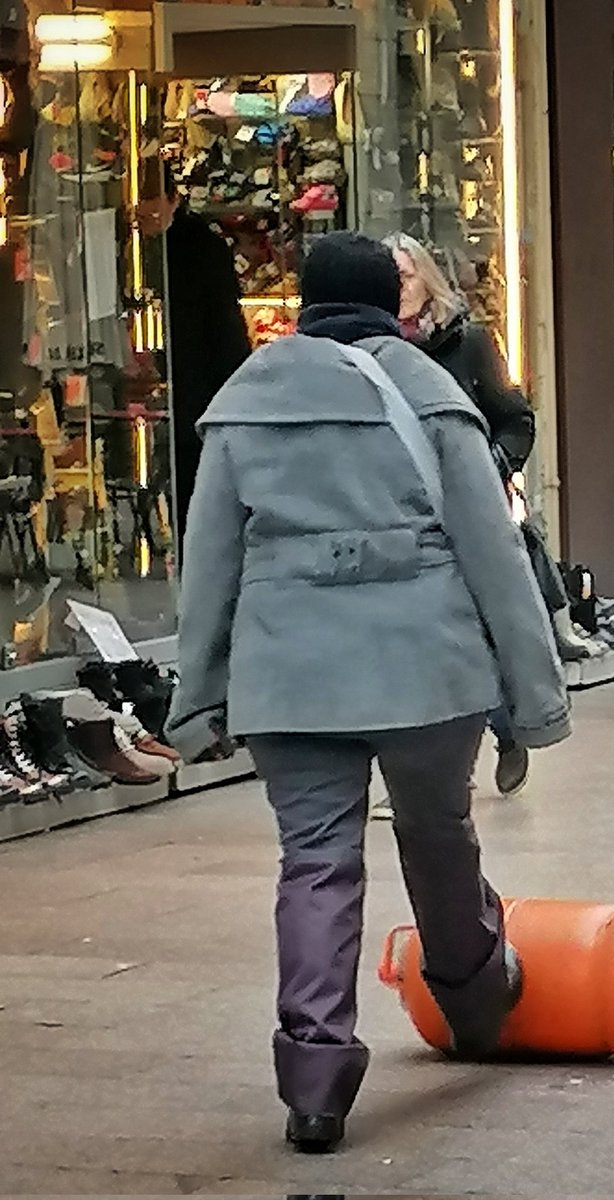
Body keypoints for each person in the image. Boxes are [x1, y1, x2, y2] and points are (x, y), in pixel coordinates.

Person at [164, 231, 570, 1153]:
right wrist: (535, 693)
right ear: (394, 300)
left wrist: (198, 696)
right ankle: (472, 996)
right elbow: (493, 553)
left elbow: (210, 565)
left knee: (314, 862)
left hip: (290, 672)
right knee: (436, 831)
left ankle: (315, 1083)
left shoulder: (245, 403)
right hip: (425, 667)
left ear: (303, 303)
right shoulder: (430, 395)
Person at [383, 231, 571, 797]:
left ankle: (505, 729)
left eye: (407, 276)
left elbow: (516, 417)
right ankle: (416, 774)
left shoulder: (468, 343)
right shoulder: (369, 353)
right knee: (409, 640)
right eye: (389, 278)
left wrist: (492, 465)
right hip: (398, 515)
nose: (399, 289)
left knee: (471, 633)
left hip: (465, 510)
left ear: (428, 280)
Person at [137, 161, 251, 561]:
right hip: (152, 390)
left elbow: (223, 328)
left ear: (173, 199)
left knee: (193, 496)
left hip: (193, 390)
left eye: (153, 199)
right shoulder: (131, 246)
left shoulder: (200, 247)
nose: (146, 210)